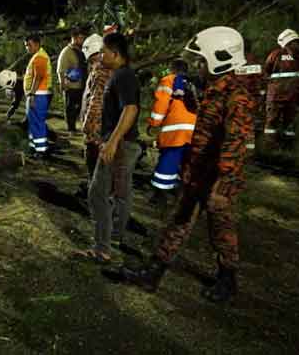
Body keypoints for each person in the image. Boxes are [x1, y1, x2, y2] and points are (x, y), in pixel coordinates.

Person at [120, 26, 254, 303]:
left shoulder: (237, 96)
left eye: (202, 61)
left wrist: (223, 183)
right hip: (199, 173)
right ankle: (153, 273)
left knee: (221, 230)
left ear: (220, 59)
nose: (198, 66)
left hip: (219, 180)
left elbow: (237, 142)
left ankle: (227, 279)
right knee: (177, 222)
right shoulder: (215, 90)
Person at [74, 32, 141, 263]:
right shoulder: (123, 74)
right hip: (121, 143)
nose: (101, 55)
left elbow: (130, 109)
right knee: (119, 191)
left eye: (104, 51)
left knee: (97, 193)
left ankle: (102, 248)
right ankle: (113, 236)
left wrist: (111, 142)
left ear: (115, 54)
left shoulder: (122, 76)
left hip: (119, 144)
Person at [147, 59, 198, 208]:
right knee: (186, 164)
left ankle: (159, 196)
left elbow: (161, 104)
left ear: (172, 69)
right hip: (194, 130)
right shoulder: (193, 82)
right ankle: (181, 194)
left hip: (175, 130)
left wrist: (153, 124)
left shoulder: (168, 80)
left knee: (167, 163)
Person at [77, 34, 108, 195]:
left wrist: (87, 127)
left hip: (96, 130)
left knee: (94, 161)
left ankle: (95, 194)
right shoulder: (107, 67)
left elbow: (96, 102)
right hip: (105, 128)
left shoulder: (99, 70)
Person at [262, 29, 299, 148]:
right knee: (289, 122)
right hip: (292, 95)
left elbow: (265, 72)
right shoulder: (297, 56)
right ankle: (286, 146)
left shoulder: (275, 54)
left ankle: (271, 146)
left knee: (274, 122)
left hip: (276, 95)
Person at [23, 33, 52, 157]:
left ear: (37, 44)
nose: (27, 48)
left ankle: (41, 150)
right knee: (33, 121)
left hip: (38, 94)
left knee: (37, 121)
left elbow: (38, 77)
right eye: (26, 46)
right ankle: (35, 147)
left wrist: (32, 94)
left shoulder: (40, 57)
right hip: (37, 93)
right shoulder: (38, 56)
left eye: (29, 45)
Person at [57, 26, 90, 132]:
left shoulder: (83, 51)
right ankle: (71, 128)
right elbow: (60, 69)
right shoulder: (66, 51)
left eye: (83, 38)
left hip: (83, 84)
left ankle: (80, 125)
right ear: (74, 38)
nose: (82, 40)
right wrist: (62, 83)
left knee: (82, 107)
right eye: (80, 38)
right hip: (71, 85)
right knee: (70, 107)